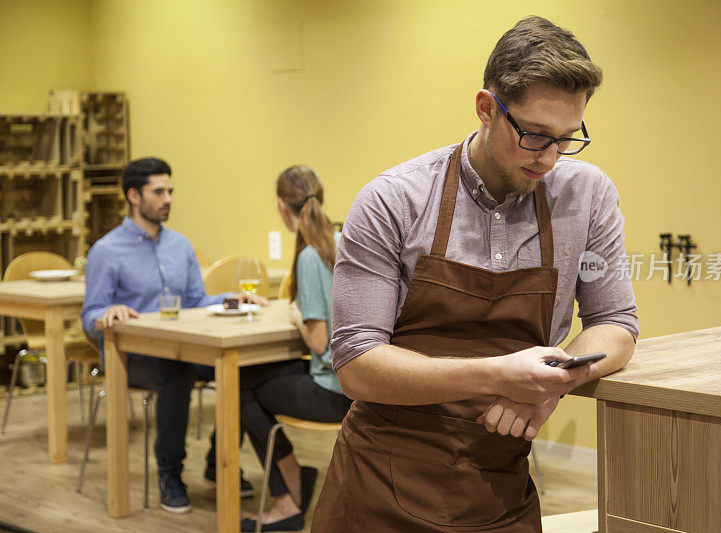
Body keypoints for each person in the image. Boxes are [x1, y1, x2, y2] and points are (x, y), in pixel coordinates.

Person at [311, 16, 639, 532]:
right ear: (487, 108)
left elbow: (617, 322)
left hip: (499, 486)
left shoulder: (588, 195)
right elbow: (355, 363)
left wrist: (559, 380)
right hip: (379, 485)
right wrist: (495, 374)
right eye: (534, 136)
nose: (550, 159)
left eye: (567, 139)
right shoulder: (394, 200)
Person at [81, 157, 258, 514]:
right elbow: (89, 317)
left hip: (183, 350)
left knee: (242, 370)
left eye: (170, 191)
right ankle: (170, 474)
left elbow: (196, 301)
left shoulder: (180, 245)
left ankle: (218, 460)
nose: (168, 199)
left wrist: (232, 300)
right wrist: (106, 313)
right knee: (176, 375)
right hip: (131, 359)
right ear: (134, 196)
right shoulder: (106, 250)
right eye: (158, 191)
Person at [239, 166, 352, 533]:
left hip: (333, 391)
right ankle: (296, 475)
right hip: (357, 383)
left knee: (239, 389)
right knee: (261, 376)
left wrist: (297, 319)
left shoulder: (309, 256)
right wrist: (279, 308)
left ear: (281, 206)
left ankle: (286, 499)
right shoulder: (343, 237)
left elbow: (319, 341)